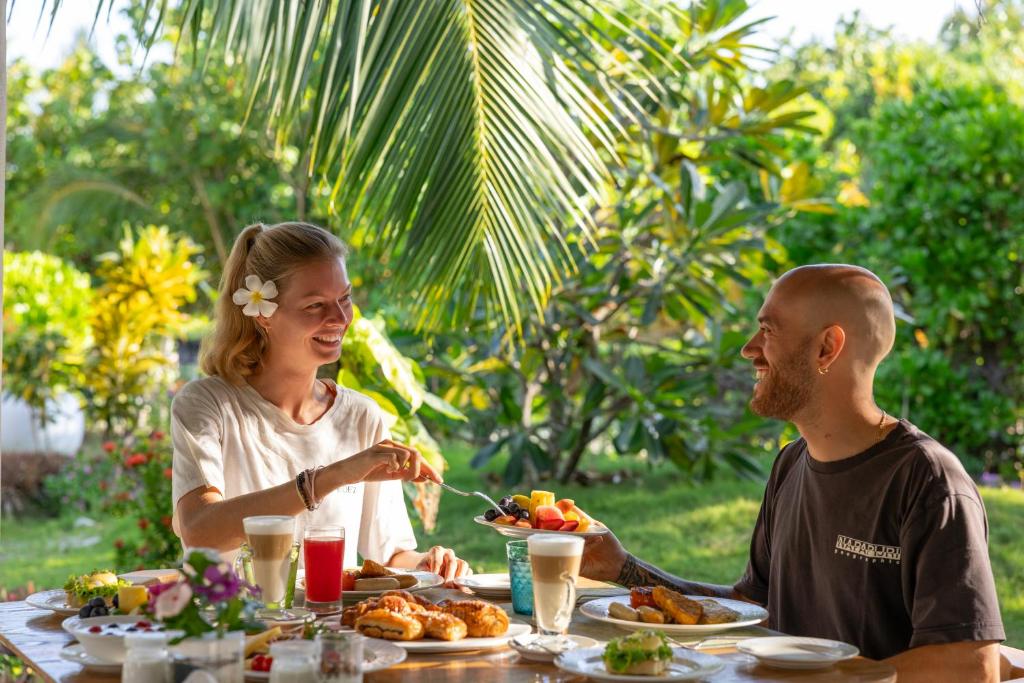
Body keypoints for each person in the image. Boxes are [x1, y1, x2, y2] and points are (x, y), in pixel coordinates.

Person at [581, 264, 1004, 681]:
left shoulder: (929, 482)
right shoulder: (790, 464)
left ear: (826, 348)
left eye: (768, 330)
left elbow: (969, 666)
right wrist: (622, 569)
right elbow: (750, 607)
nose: (749, 349)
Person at [171, 221, 471, 583]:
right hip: (230, 617)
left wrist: (427, 564)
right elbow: (199, 529)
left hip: (331, 619)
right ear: (263, 313)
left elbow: (390, 554)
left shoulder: (361, 416)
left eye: (344, 299)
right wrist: (332, 476)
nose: (340, 319)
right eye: (315, 305)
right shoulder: (207, 405)